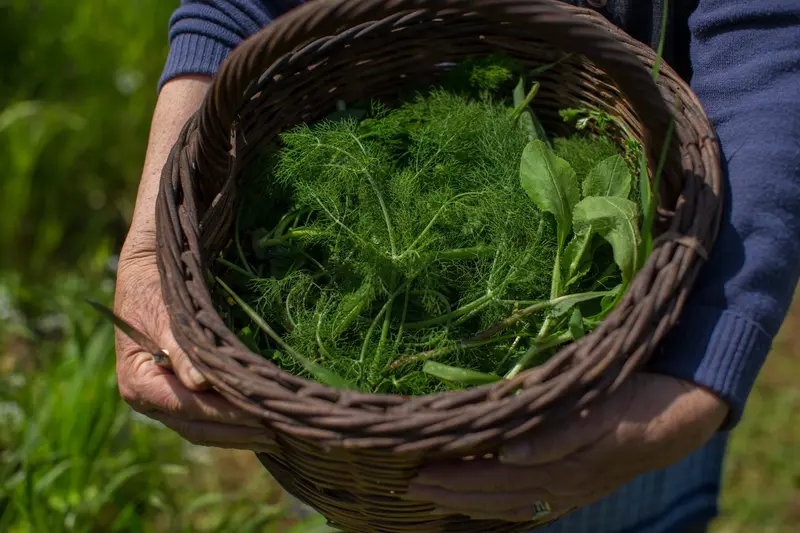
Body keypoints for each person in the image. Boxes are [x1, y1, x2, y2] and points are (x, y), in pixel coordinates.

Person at [113, 1, 800, 532]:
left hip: (626, 374)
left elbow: (769, 38)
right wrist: (152, 238)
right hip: (351, 461)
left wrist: (704, 358)